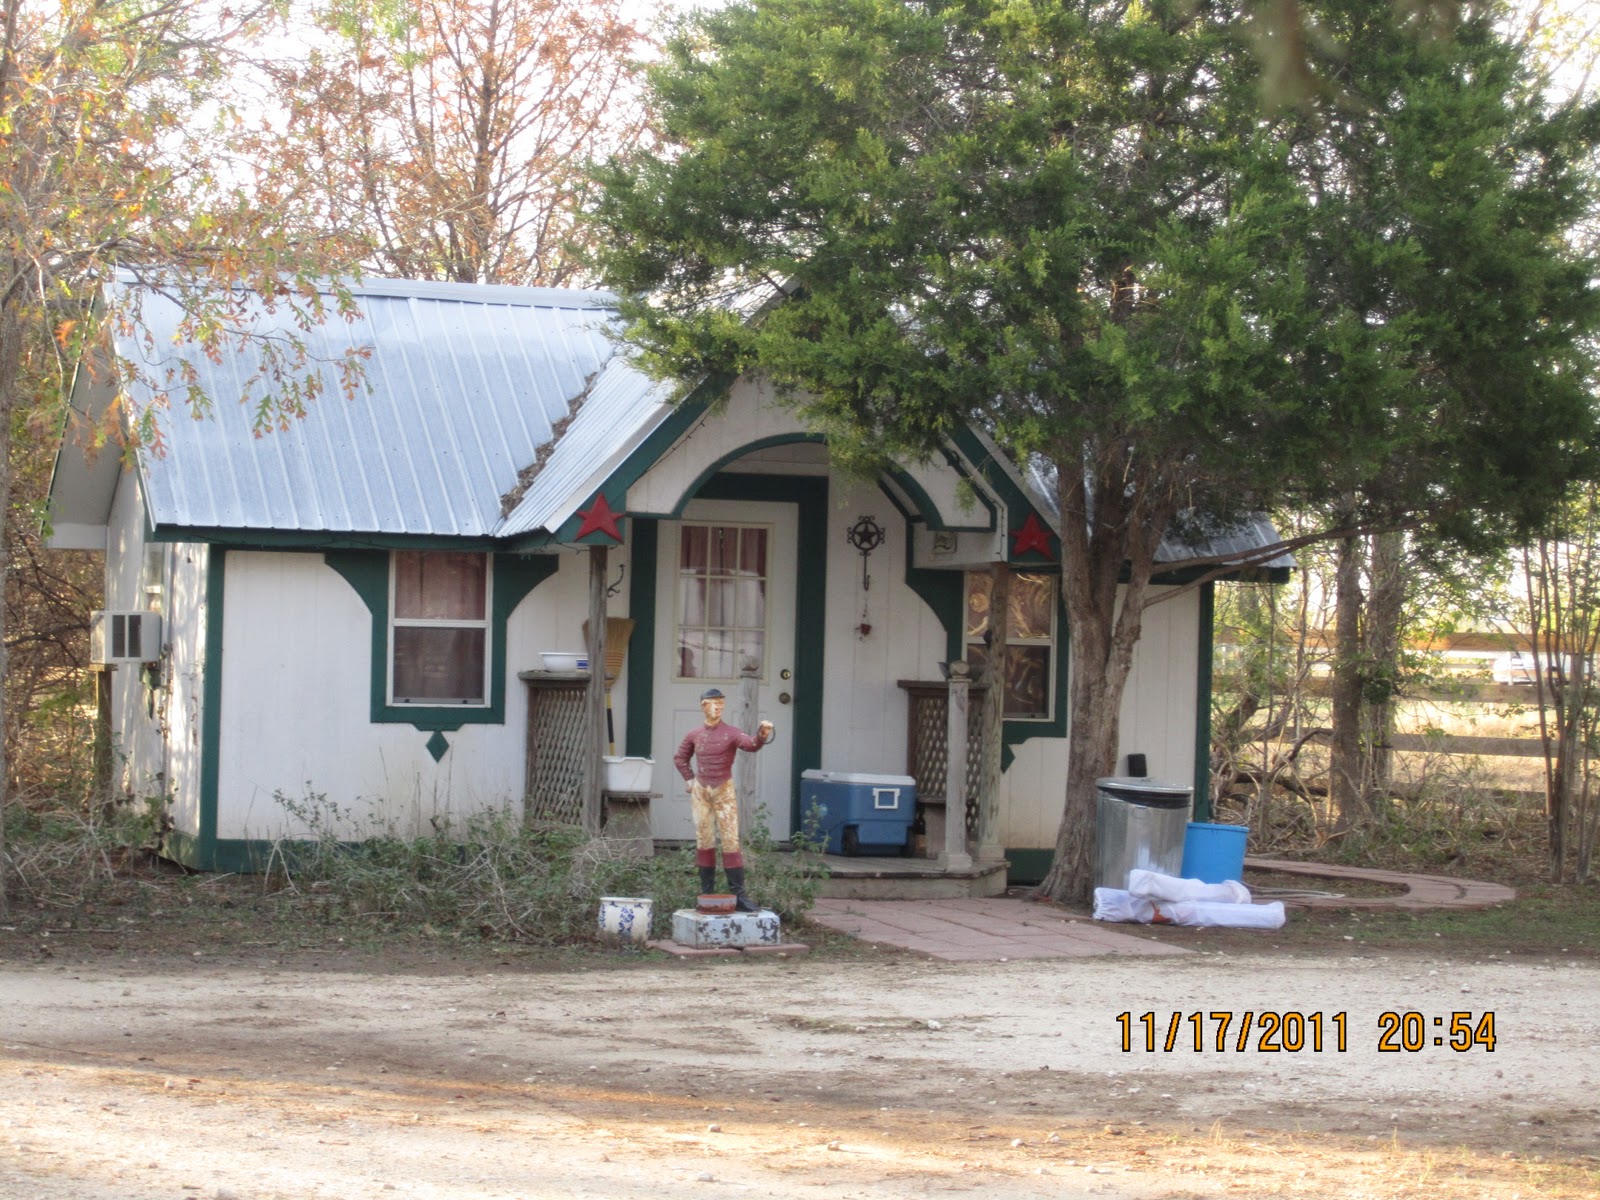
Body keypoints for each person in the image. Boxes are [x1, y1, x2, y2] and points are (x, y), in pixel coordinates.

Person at [673, 687, 773, 913]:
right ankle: (706, 894)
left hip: (724, 790)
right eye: (713, 703)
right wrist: (689, 779)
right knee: (704, 839)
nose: (717, 707)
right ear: (703, 706)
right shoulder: (694, 735)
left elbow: (750, 745)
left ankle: (739, 895)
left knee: (730, 840)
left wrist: (762, 735)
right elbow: (680, 757)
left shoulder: (732, 732)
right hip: (701, 792)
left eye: (721, 703)